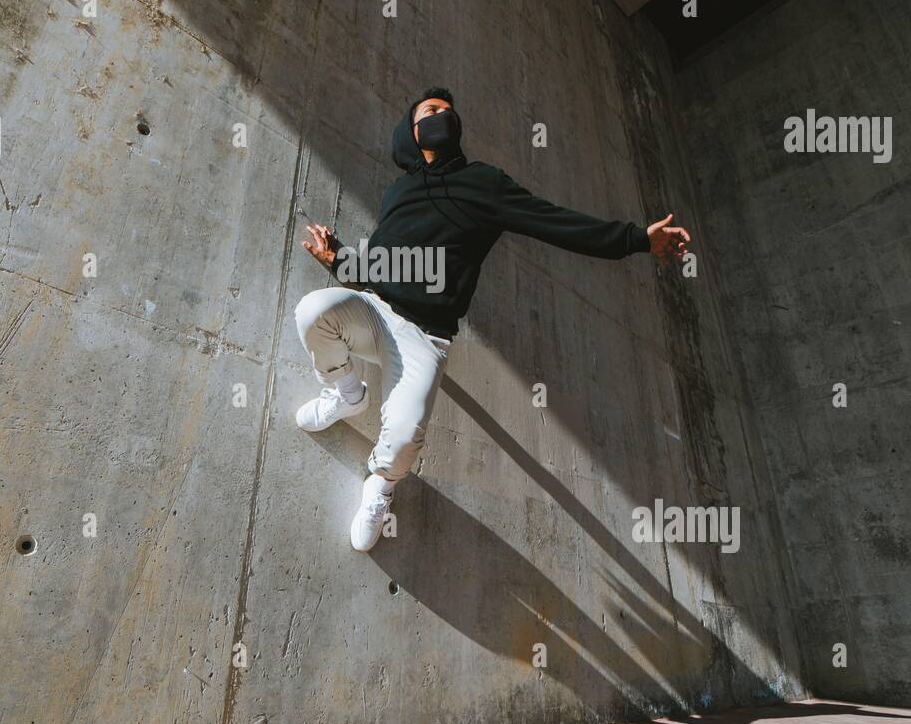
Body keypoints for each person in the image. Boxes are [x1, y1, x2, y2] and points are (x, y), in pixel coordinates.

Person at [294, 89, 689, 552]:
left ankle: (379, 487)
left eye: (447, 112)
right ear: (411, 130)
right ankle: (346, 393)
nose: (442, 116)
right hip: (378, 310)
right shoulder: (398, 190)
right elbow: (387, 262)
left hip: (427, 335)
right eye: (430, 112)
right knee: (313, 312)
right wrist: (340, 260)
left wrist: (638, 239)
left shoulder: (483, 183)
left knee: (403, 439)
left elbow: (555, 222)